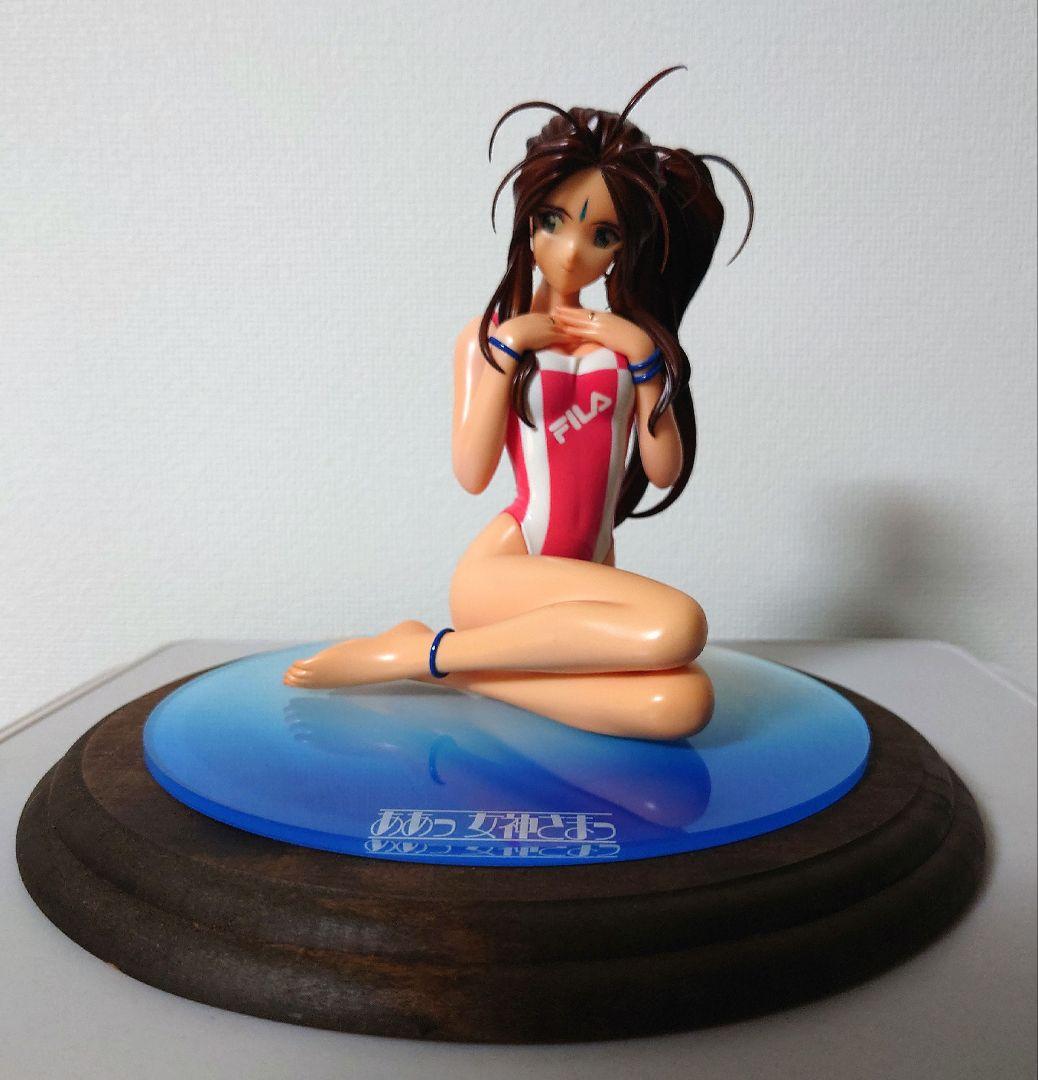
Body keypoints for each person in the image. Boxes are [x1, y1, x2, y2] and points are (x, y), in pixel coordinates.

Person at [284, 66, 753, 740]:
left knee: (681, 704)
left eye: (603, 235)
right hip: (506, 571)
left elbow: (662, 470)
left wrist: (646, 360)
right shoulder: (488, 339)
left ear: (625, 248)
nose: (572, 252)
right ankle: (429, 652)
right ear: (527, 221)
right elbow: (472, 473)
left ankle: (431, 659)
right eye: (552, 221)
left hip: (589, 577)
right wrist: (505, 354)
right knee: (679, 625)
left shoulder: (630, 345)